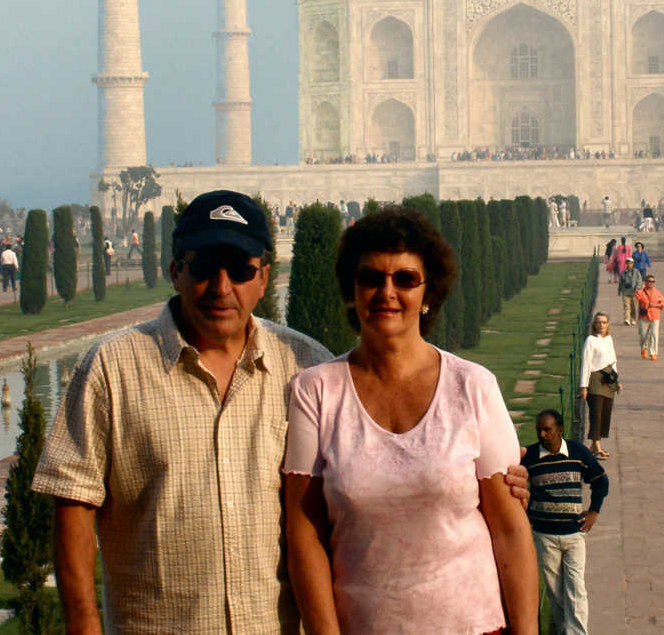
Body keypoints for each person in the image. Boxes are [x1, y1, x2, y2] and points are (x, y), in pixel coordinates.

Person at [32, 190, 334, 633]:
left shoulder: (305, 366)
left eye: (240, 270)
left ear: (264, 278)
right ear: (175, 271)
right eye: (205, 267)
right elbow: (73, 505)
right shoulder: (113, 368)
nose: (221, 287)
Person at [283, 207, 538, 635]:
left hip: (473, 625)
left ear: (429, 294)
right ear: (352, 289)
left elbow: (510, 532)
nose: (387, 292)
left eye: (404, 279)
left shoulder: (472, 387)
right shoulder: (317, 391)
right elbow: (305, 532)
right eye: (371, 278)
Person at [522, 409, 609, 635]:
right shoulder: (530, 456)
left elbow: (600, 480)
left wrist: (594, 511)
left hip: (573, 534)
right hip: (545, 535)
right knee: (555, 594)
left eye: (547, 430)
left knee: (576, 590)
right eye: (539, 429)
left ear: (559, 430)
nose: (542, 434)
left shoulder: (577, 452)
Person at [580, 312, 621, 457]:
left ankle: (593, 446)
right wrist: (583, 386)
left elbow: (613, 361)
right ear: (594, 324)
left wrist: (617, 382)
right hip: (596, 379)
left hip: (608, 380)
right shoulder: (590, 340)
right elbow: (586, 364)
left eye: (604, 322)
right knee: (596, 413)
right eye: (598, 322)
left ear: (608, 324)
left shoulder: (608, 339)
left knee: (605, 413)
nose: (601, 325)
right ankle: (597, 446)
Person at [634, 273, 664, 360]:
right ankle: (644, 348)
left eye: (652, 282)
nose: (651, 283)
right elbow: (637, 297)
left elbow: (662, 303)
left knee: (654, 335)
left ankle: (653, 353)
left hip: (655, 316)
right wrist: (642, 288)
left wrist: (656, 305)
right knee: (643, 335)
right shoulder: (641, 292)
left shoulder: (657, 292)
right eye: (649, 281)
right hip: (644, 316)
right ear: (645, 282)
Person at [617, 257, 642, 325]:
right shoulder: (624, 272)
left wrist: (637, 289)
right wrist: (619, 290)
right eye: (628, 263)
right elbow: (621, 282)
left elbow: (639, 281)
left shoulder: (636, 272)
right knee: (626, 306)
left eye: (630, 263)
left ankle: (633, 319)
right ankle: (627, 319)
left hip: (634, 292)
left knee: (633, 307)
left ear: (633, 264)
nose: (629, 265)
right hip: (626, 291)